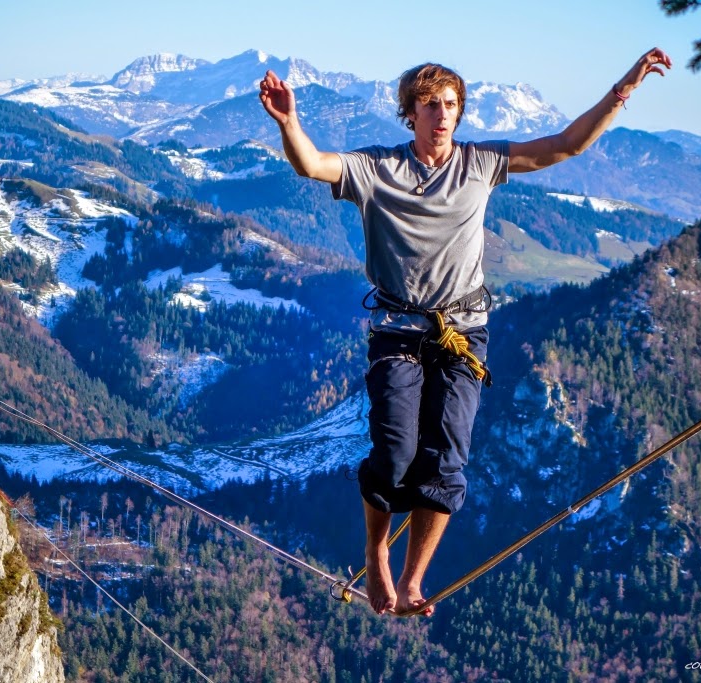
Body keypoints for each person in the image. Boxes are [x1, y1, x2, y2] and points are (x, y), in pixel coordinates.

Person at [259, 48, 672, 616]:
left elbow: (564, 145)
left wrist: (622, 89)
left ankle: (412, 581)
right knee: (396, 452)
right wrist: (288, 123)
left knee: (446, 459)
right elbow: (311, 165)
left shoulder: (478, 163)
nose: (443, 113)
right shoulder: (378, 168)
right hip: (399, 331)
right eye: (431, 104)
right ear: (411, 113)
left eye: (451, 104)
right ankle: (376, 552)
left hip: (463, 332)